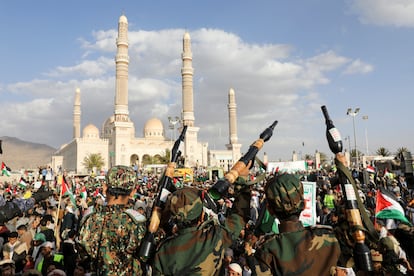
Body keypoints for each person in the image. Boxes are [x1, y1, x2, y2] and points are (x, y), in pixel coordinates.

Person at [245, 173, 341, 275]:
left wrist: (248, 251)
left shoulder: (268, 250)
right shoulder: (330, 238)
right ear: (304, 204)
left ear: (270, 210)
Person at [152, 179, 252, 275]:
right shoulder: (215, 238)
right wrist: (242, 183)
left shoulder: (162, 250)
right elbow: (239, 216)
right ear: (202, 216)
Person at [78, 165, 146, 275]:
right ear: (133, 192)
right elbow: (144, 255)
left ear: (104, 188)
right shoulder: (137, 222)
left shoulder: (90, 218)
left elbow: (82, 255)